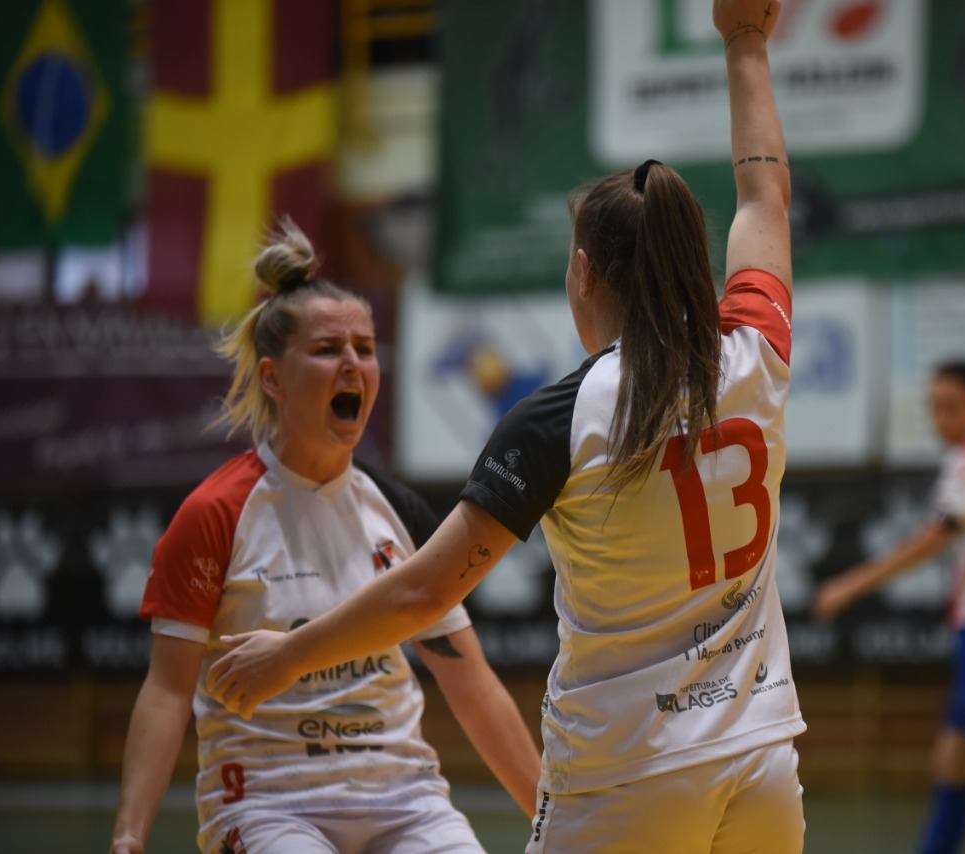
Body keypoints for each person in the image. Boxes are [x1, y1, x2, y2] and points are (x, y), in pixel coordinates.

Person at [206, 1, 805, 851]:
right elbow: (765, 194)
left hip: (622, 777)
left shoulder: (562, 416)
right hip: (762, 765)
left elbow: (424, 590)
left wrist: (284, 657)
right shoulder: (753, 353)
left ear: (583, 274)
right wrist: (746, 44)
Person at [109, 220, 541, 854]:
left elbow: (472, 687)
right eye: (327, 348)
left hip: (405, 799)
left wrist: (554, 821)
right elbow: (168, 690)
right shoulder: (214, 514)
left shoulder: (399, 510)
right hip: (268, 801)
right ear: (273, 378)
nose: (353, 363)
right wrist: (127, 839)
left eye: (365, 348)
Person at [813, 360, 965, 854]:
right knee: (953, 759)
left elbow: (929, 540)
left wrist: (850, 584)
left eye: (952, 407)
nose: (940, 418)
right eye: (934, 407)